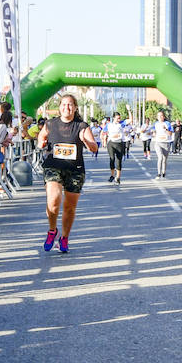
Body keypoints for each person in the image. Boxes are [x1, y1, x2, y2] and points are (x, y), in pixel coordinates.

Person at [36, 94, 99, 254]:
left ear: (75, 107)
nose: (67, 107)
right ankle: (52, 230)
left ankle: (64, 238)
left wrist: (86, 141)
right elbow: (42, 136)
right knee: (53, 200)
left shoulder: (82, 126)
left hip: (74, 169)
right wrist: (41, 142)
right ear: (59, 107)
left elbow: (94, 148)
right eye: (64, 104)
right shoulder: (50, 124)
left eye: (70, 105)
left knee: (69, 207)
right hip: (53, 166)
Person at [103, 111, 129, 185]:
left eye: (119, 118)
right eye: (117, 118)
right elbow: (104, 132)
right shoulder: (109, 125)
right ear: (113, 118)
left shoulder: (121, 124)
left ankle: (118, 177)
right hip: (111, 143)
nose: (119, 119)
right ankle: (112, 175)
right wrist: (104, 141)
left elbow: (130, 120)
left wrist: (129, 110)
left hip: (119, 143)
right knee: (112, 159)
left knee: (118, 161)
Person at [152, 110, 174, 178]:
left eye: (161, 115)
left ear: (164, 117)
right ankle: (158, 173)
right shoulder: (155, 124)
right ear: (157, 117)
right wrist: (154, 133)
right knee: (160, 157)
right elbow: (153, 132)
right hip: (158, 143)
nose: (160, 117)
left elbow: (170, 133)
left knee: (164, 159)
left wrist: (166, 129)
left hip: (166, 143)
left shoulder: (167, 123)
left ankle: (163, 172)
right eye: (158, 116)